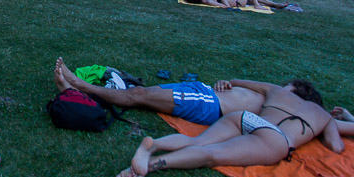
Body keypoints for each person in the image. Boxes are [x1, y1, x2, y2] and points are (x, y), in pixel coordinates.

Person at [115, 79, 354, 177]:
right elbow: (341, 144)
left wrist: (227, 84)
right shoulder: (322, 116)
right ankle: (154, 163)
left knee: (199, 141)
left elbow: (239, 81)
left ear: (293, 89)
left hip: (246, 119)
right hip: (276, 139)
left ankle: (155, 144)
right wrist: (346, 116)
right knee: (211, 155)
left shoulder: (278, 91)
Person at [53, 58, 266, 124]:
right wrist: (224, 83)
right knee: (140, 93)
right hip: (204, 91)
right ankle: (75, 90)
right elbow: (233, 81)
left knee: (137, 95)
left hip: (209, 103)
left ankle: (79, 86)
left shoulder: (279, 108)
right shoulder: (272, 94)